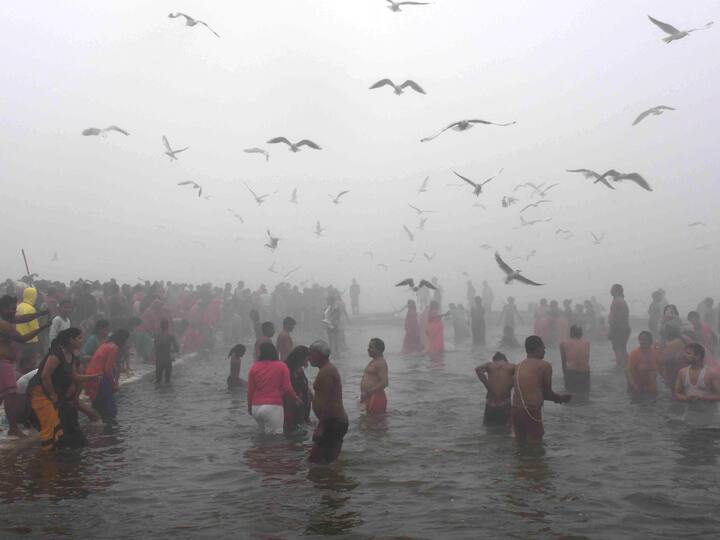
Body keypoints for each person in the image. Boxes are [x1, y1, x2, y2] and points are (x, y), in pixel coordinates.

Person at [27, 328, 101, 449]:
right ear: (71, 340)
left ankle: (63, 454)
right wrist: (53, 396)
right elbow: (45, 376)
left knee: (67, 422)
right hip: (40, 393)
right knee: (51, 429)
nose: (82, 341)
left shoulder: (70, 355)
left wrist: (93, 377)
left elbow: (74, 377)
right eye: (80, 338)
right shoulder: (57, 354)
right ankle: (47, 461)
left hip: (54, 393)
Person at [0, 294, 50, 437]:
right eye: (12, 309)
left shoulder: (7, 319)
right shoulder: (4, 324)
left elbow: (22, 319)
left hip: (5, 362)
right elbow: (23, 339)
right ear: (3, 309)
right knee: (11, 394)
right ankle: (13, 428)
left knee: (2, 395)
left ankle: (13, 427)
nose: (14, 312)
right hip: (3, 362)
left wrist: (40, 313)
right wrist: (42, 327)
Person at [511, 336, 571, 444]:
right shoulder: (545, 365)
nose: (545, 351)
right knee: (535, 449)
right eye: (544, 348)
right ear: (538, 350)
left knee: (519, 446)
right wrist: (561, 399)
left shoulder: (518, 366)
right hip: (531, 411)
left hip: (516, 411)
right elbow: (547, 393)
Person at [308, 340, 348, 464]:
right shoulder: (326, 370)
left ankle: (333, 481)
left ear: (320, 355)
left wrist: (321, 426)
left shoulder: (326, 372)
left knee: (317, 461)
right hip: (333, 421)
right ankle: (333, 481)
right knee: (327, 462)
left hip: (332, 422)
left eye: (311, 354)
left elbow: (328, 401)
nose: (308, 358)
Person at [247, 342, 299, 435]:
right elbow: (287, 387)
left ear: (261, 353)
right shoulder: (282, 366)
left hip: (255, 407)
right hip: (272, 406)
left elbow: (250, 390)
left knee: (262, 437)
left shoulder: (254, 366)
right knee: (275, 440)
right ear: (274, 352)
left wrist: (249, 407)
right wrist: (295, 398)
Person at [85, 330, 130, 423]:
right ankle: (109, 432)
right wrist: (113, 384)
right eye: (126, 340)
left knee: (98, 405)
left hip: (90, 375)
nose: (126, 343)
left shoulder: (106, 344)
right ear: (122, 340)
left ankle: (98, 431)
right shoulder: (114, 347)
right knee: (110, 411)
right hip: (99, 377)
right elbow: (108, 369)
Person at [674, 343, 720, 427]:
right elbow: (677, 393)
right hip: (689, 420)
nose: (684, 355)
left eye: (688, 353)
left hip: (710, 423)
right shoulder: (682, 372)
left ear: (698, 356)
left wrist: (701, 398)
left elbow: (719, 395)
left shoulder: (711, 373)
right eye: (685, 353)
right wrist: (686, 398)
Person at [475, 352, 515, 426]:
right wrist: (511, 385)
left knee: (489, 428)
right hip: (505, 403)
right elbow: (520, 375)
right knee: (506, 430)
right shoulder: (511, 366)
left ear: (494, 360)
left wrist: (488, 386)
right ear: (506, 360)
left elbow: (478, 369)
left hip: (491, 403)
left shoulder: (490, 365)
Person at [284, 345, 312, 434]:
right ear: (301, 358)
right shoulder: (288, 370)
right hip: (294, 410)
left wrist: (309, 391)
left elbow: (303, 385)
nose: (309, 361)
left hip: (302, 410)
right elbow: (287, 392)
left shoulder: (299, 369)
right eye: (307, 358)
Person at [15, 287, 44, 374]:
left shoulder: (18, 306)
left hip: (19, 340)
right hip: (31, 341)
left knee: (20, 363)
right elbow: (34, 328)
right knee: (31, 364)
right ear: (34, 296)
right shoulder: (31, 309)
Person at [626, 331, 660, 398]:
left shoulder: (655, 352)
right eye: (640, 339)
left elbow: (660, 367)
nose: (642, 341)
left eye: (644, 339)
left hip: (650, 386)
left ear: (650, 341)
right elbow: (628, 370)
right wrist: (633, 384)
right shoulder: (635, 353)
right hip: (637, 386)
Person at [361, 338, 389, 416]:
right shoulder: (375, 361)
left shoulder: (381, 363)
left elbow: (385, 382)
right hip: (369, 396)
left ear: (378, 349)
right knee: (368, 423)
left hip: (376, 397)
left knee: (375, 424)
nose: (368, 349)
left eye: (371, 347)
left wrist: (369, 392)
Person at [560, 325, 591, 393]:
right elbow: (586, 360)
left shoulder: (563, 344)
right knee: (585, 394)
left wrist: (565, 376)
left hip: (572, 372)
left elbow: (563, 361)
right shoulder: (587, 344)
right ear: (581, 333)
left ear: (570, 333)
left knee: (570, 395)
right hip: (585, 372)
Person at [608, 284, 631, 368]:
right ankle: (628, 366)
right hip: (625, 327)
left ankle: (620, 367)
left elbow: (615, 318)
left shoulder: (616, 301)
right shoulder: (622, 300)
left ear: (616, 291)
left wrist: (611, 330)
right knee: (622, 348)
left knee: (617, 348)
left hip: (619, 328)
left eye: (611, 289)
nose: (610, 291)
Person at [154, 319, 179, 385]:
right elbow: (177, 349)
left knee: (158, 381)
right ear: (168, 326)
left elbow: (155, 348)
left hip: (159, 360)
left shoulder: (156, 335)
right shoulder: (171, 336)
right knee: (167, 382)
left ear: (160, 326)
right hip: (167, 360)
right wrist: (170, 350)